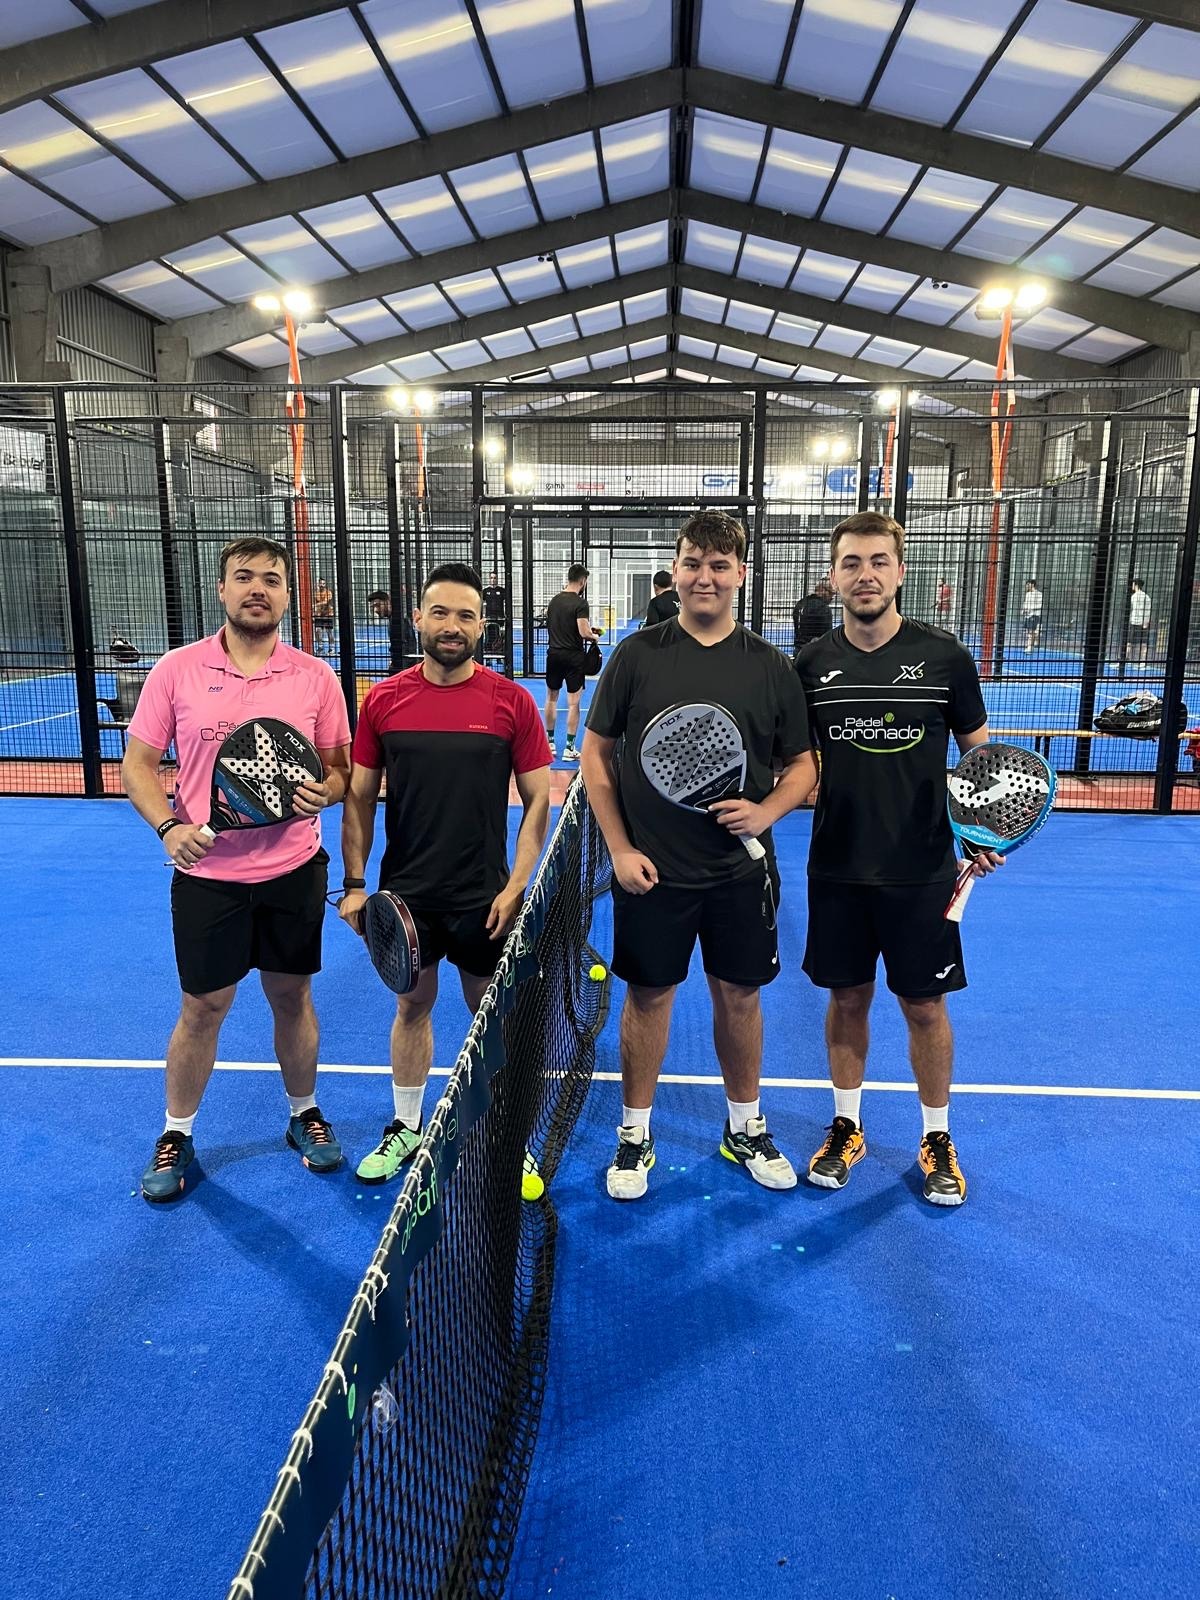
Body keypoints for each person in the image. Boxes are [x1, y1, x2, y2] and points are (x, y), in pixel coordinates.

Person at [581, 510, 817, 1201]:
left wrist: (767, 811)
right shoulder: (636, 655)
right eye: (692, 563)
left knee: (739, 998)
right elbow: (595, 755)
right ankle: (634, 1133)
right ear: (676, 571)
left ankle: (744, 1126)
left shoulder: (770, 667)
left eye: (719, 565)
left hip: (741, 873)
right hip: (652, 873)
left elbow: (804, 764)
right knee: (648, 996)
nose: (704, 577)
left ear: (741, 573)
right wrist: (620, 847)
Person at [122, 537, 352, 1204]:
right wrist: (168, 826)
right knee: (202, 1008)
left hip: (293, 871)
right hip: (207, 880)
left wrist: (326, 791)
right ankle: (177, 1133)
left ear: (287, 595)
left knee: (291, 996)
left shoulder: (315, 677)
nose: (258, 589)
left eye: (272, 579)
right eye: (244, 577)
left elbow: (341, 768)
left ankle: (303, 1113)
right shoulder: (177, 670)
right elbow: (138, 766)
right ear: (221, 589)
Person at [793, 511, 1001, 1209]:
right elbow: (795, 761)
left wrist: (982, 830)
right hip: (838, 868)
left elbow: (980, 758)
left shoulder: (945, 658)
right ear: (833, 577)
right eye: (851, 563)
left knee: (925, 1005)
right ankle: (846, 1126)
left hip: (923, 871)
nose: (866, 575)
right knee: (847, 999)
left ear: (900, 571)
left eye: (878, 561)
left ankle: (936, 1136)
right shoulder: (810, 666)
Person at [339, 563, 550, 1185]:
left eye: (465, 615)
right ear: (418, 619)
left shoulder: (512, 702)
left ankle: (504, 1131)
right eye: (440, 613)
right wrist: (355, 885)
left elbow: (538, 799)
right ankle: (406, 1125)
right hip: (407, 896)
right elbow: (359, 797)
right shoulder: (383, 700)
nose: (451, 626)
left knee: (491, 1014)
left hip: (485, 896)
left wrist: (517, 883)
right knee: (412, 1005)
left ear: (482, 626)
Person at [544, 563, 603, 763]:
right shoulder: (580, 603)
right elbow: (583, 632)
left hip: (554, 654)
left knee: (551, 698)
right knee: (573, 703)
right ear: (583, 581)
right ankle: (569, 748)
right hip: (573, 657)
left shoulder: (554, 601)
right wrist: (594, 636)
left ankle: (550, 744)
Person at [368, 586, 419, 668]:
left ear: (387, 602)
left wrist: (397, 664)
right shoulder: (395, 618)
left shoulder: (398, 620)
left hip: (404, 665)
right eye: (373, 607)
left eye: (378, 605)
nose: (375, 610)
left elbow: (407, 647)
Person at [792, 577, 834, 654]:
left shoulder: (800, 604)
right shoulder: (824, 608)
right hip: (816, 654)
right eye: (831, 593)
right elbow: (828, 636)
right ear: (822, 590)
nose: (832, 597)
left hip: (799, 651)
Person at [482, 570, 508, 663]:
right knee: (489, 638)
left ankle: (499, 658)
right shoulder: (485, 591)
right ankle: (488, 658)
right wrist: (483, 616)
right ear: (489, 579)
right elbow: (480, 603)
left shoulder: (502, 591)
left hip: (500, 619)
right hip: (489, 619)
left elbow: (507, 603)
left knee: (499, 638)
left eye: (495, 578)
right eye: (491, 578)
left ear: (497, 579)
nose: (493, 580)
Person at [1128, 578, 1152, 665]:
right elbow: (1148, 611)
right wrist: (1146, 622)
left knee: (1130, 642)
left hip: (1134, 621)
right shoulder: (1146, 597)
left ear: (1136, 585)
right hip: (1142, 622)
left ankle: (1127, 659)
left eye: (1133, 584)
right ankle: (1142, 661)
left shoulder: (1133, 597)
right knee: (1143, 643)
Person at [313, 577, 334, 656]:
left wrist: (315, 605)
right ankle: (320, 647)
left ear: (325, 584)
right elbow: (315, 604)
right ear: (318, 584)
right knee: (318, 631)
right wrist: (314, 614)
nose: (322, 585)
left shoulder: (328, 593)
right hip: (319, 615)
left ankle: (331, 648)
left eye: (323, 583)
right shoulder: (316, 593)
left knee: (329, 632)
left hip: (328, 614)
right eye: (320, 583)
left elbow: (325, 602)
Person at [1021, 579, 1043, 652]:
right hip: (1028, 615)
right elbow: (1025, 603)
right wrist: (1024, 610)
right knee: (1029, 631)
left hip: (1034, 614)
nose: (1027, 586)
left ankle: (1029, 647)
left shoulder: (1039, 594)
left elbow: (1040, 605)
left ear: (1032, 584)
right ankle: (1032, 644)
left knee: (1031, 631)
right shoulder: (1028, 594)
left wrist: (1030, 608)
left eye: (1028, 584)